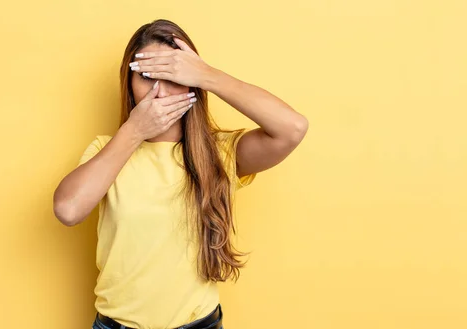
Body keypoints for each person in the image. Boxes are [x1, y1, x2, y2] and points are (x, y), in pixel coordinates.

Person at [53, 19, 308, 329]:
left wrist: (208, 75)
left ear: (192, 85)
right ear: (129, 86)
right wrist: (133, 131)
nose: (160, 91)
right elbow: (68, 209)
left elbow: (292, 128)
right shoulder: (108, 151)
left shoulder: (220, 154)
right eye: (147, 77)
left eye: (173, 75)